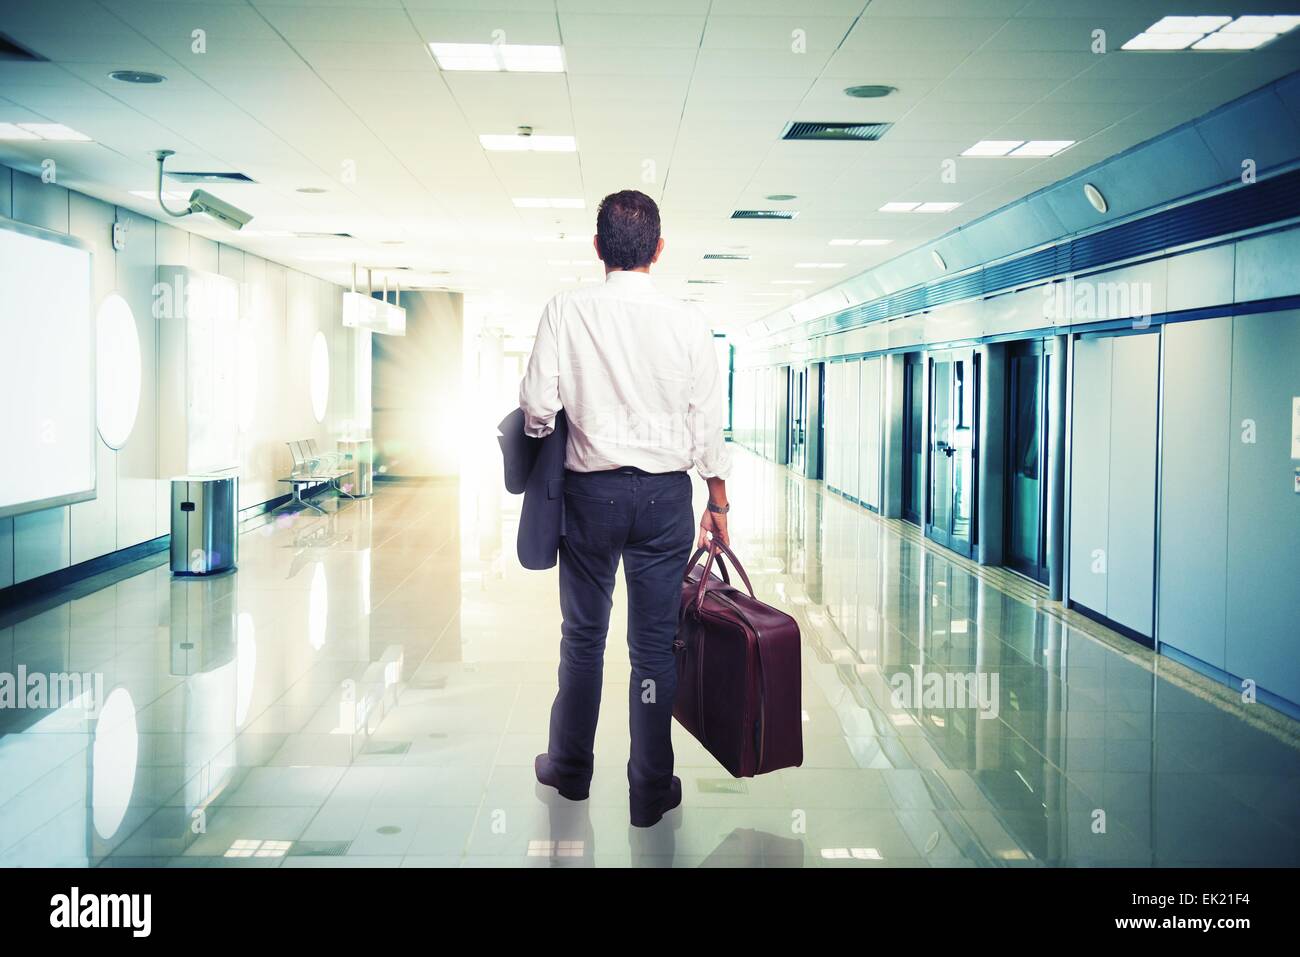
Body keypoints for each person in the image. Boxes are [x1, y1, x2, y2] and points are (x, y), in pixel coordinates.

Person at [519, 189, 732, 828]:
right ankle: (649, 787)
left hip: (590, 496)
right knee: (653, 649)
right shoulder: (688, 321)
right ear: (659, 251)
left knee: (583, 639)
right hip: (667, 500)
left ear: (597, 248)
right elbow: (708, 426)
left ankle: (571, 770)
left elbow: (536, 409)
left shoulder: (566, 309)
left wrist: (555, 433)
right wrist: (716, 499)